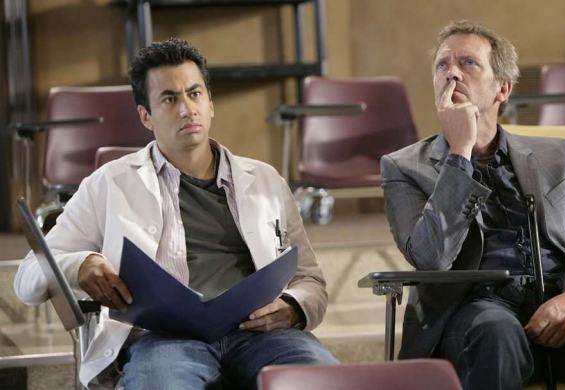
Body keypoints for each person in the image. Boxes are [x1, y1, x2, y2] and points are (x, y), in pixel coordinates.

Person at [14, 38, 337, 389]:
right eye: (169, 99)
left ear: (210, 104)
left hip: (261, 335)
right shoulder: (109, 183)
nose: (187, 109)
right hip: (165, 341)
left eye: (194, 94)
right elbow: (28, 277)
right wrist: (80, 265)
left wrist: (294, 306)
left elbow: (309, 280)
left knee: (323, 379)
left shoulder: (265, 180)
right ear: (146, 117)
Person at [380, 20, 565, 389]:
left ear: (503, 88)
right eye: (442, 65)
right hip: (475, 313)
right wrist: (459, 154)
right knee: (496, 334)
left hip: (559, 303)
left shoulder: (557, 156)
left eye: (468, 63)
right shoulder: (403, 166)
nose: (452, 73)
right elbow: (431, 258)